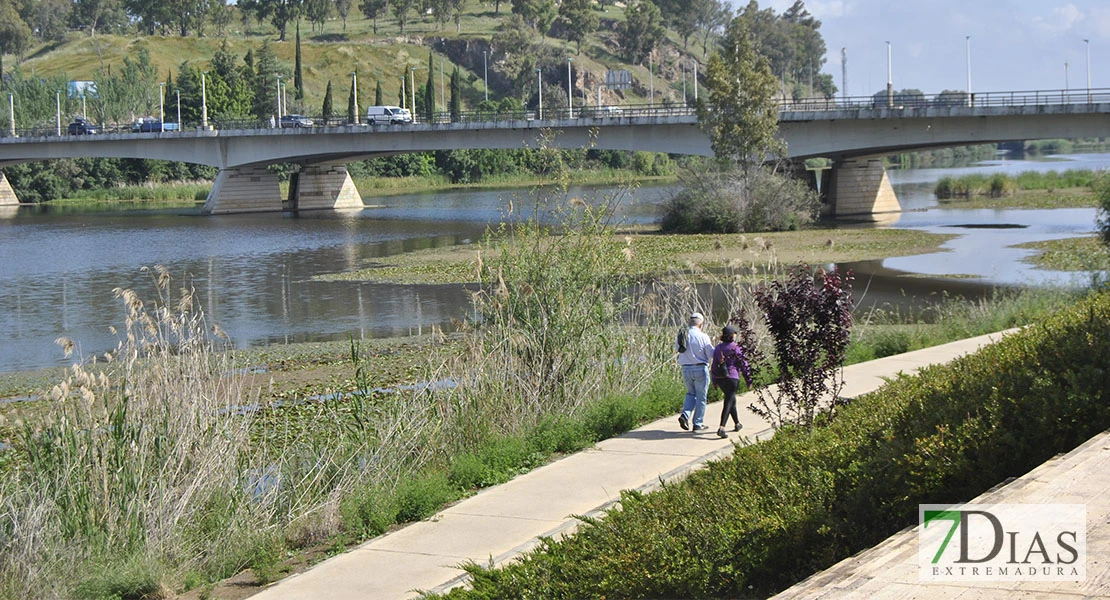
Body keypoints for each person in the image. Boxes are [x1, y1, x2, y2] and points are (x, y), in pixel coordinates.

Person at [710, 325, 753, 439]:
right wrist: (748, 379)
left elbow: (714, 365)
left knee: (731, 399)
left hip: (721, 378)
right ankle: (722, 427)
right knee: (729, 401)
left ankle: (737, 423)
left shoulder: (718, 348)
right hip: (733, 377)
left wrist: (714, 380)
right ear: (731, 335)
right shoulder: (736, 348)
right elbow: (744, 364)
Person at [676, 312, 714, 432]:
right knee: (701, 397)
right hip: (700, 368)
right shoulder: (703, 336)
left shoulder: (681, 335)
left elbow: (678, 349)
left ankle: (685, 415)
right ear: (701, 324)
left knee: (691, 394)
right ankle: (698, 423)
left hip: (686, 369)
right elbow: (710, 354)